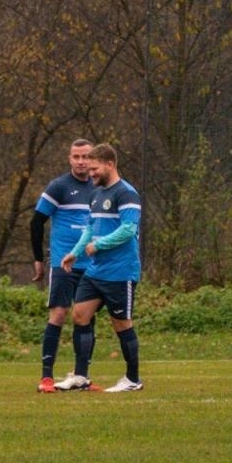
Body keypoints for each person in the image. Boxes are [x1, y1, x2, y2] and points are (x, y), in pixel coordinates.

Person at [58, 143, 143, 392]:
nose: (91, 173)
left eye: (95, 168)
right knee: (80, 315)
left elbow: (129, 229)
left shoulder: (126, 193)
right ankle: (81, 376)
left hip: (120, 271)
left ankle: (133, 379)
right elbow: (89, 228)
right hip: (95, 271)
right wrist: (74, 253)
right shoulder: (96, 194)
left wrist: (101, 245)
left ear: (110, 165)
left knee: (121, 323)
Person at [32, 138, 96, 392]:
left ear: (93, 159)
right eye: (76, 157)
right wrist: (39, 258)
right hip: (63, 264)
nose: (81, 162)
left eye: (86, 157)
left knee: (86, 319)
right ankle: (46, 377)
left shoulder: (100, 187)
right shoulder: (58, 186)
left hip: (92, 266)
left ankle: (81, 376)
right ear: (69, 159)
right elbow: (36, 222)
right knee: (58, 314)